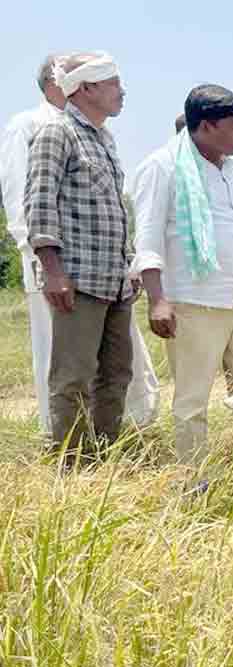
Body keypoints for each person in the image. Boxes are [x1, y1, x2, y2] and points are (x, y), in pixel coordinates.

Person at [3, 54, 159, 436]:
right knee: (72, 377)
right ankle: (70, 465)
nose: (121, 92)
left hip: (114, 281)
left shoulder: (103, 138)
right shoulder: (56, 132)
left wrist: (129, 265)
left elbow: (111, 212)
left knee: (117, 373)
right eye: (113, 83)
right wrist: (52, 271)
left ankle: (103, 456)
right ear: (86, 88)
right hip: (77, 279)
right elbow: (38, 202)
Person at [132, 84, 233, 478]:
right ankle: (195, 483)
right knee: (193, 402)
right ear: (207, 126)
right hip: (193, 302)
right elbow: (147, 237)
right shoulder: (162, 166)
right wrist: (157, 299)